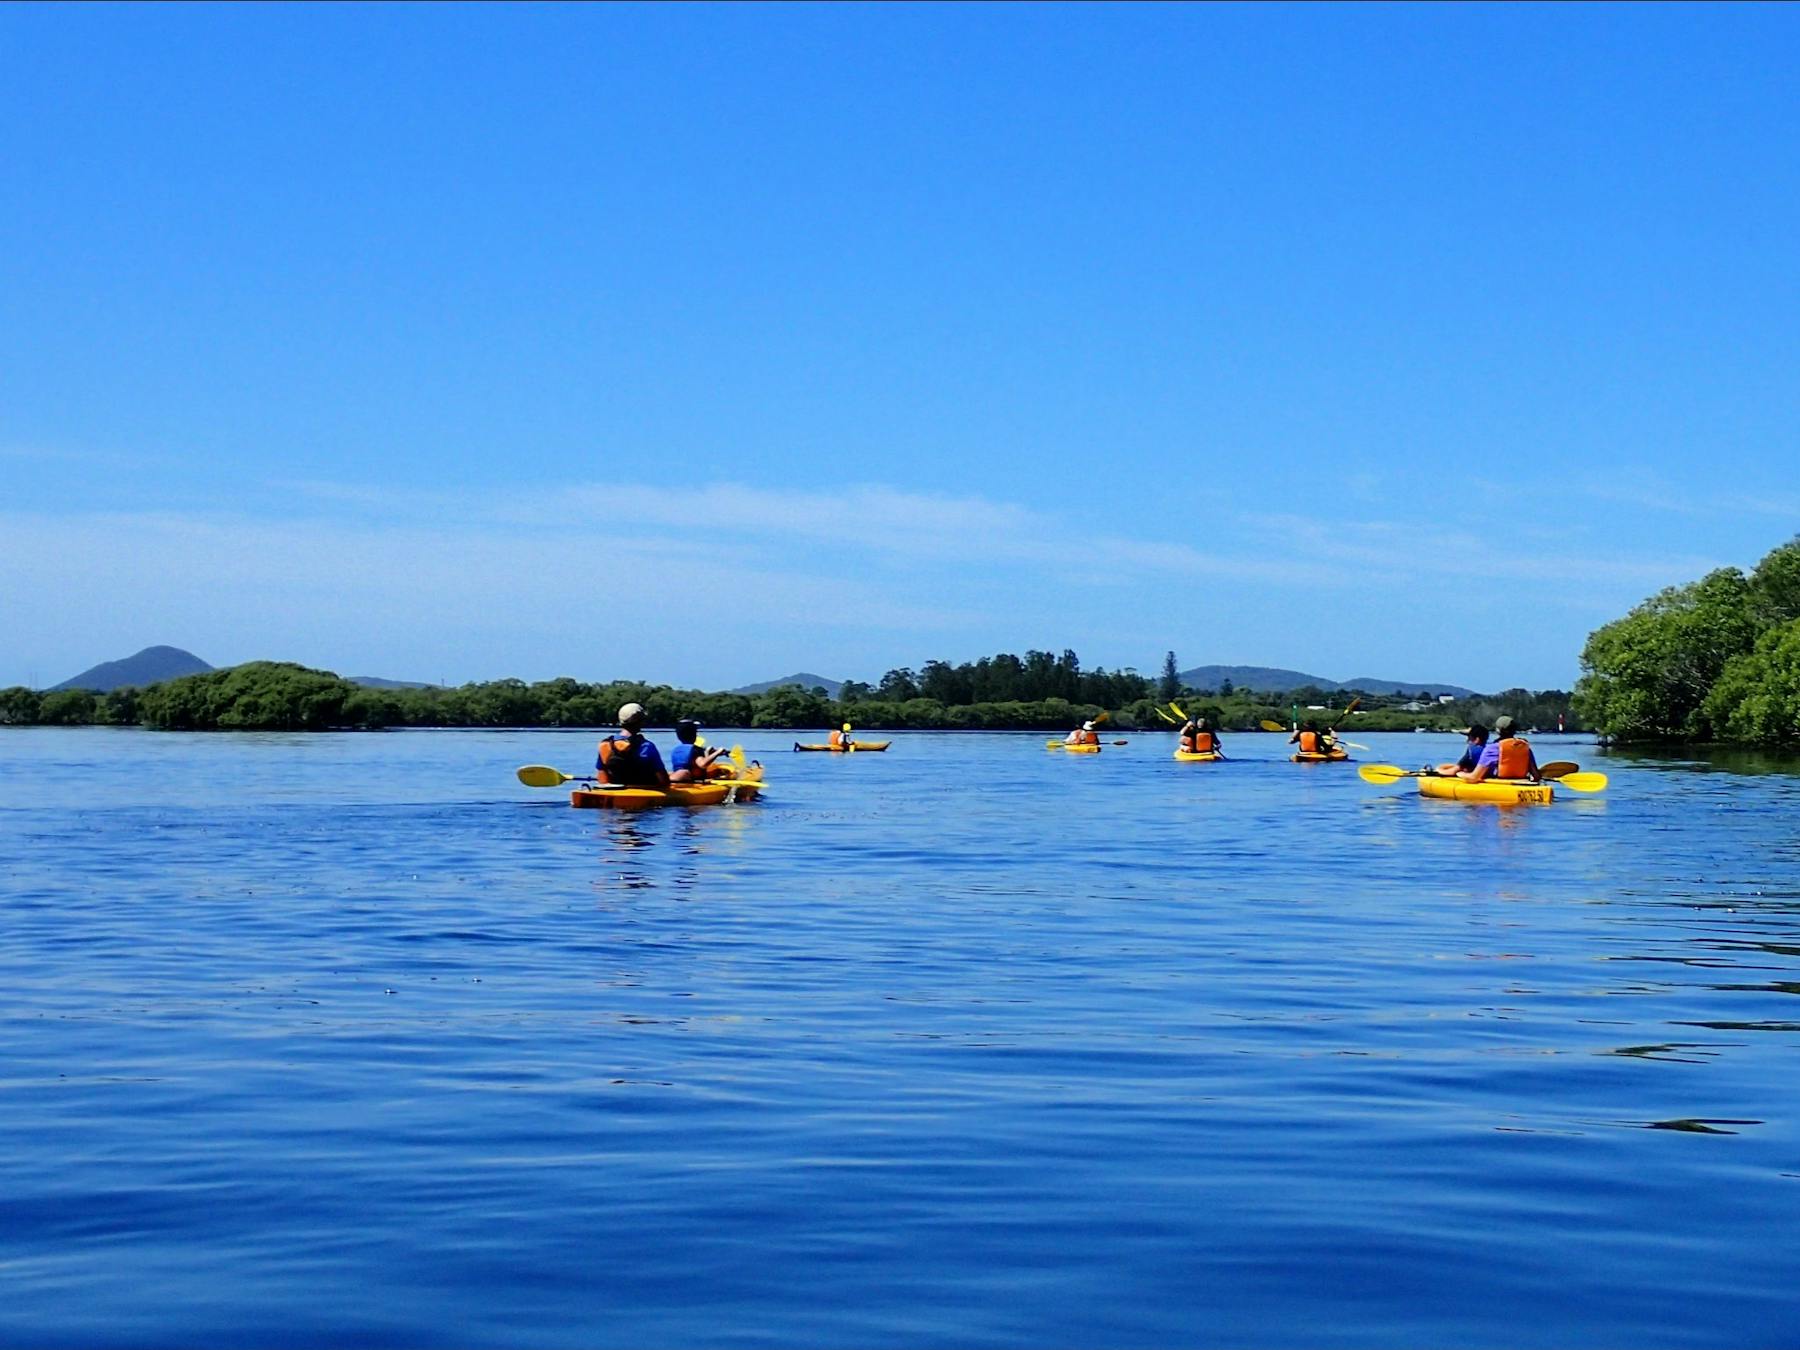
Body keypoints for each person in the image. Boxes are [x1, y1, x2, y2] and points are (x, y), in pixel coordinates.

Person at [596, 702, 670, 789]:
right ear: (640, 721)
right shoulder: (647, 746)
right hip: (644, 791)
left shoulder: (605, 745)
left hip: (616, 792)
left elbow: (602, 779)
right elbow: (664, 781)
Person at [1460, 715, 1538, 783]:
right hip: (1520, 782)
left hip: (1500, 783)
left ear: (1498, 730)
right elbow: (1536, 775)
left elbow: (1474, 777)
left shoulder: (1492, 749)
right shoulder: (1525, 747)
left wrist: (1460, 774)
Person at [669, 718, 726, 782]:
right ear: (694, 734)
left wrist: (707, 753)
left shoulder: (676, 750)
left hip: (680, 779)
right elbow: (702, 764)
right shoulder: (695, 749)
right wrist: (718, 752)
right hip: (690, 781)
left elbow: (693, 763)